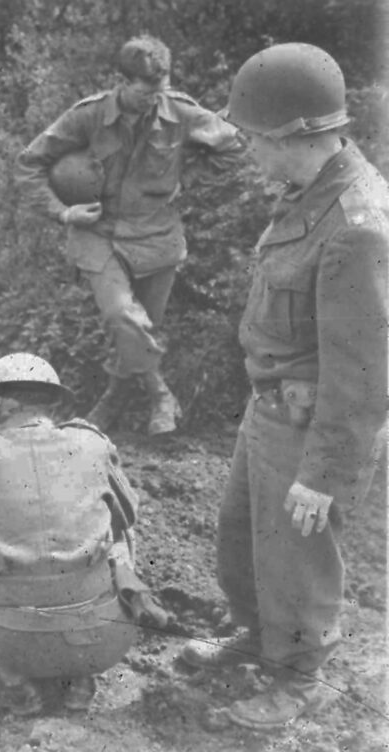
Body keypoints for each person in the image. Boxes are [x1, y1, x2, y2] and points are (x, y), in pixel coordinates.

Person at [181, 43, 388, 731]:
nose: (247, 150)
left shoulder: (356, 226)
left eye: (252, 137)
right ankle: (258, 640)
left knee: (298, 561)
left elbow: (364, 371)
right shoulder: (308, 195)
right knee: (241, 542)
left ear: (293, 135)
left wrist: (323, 473)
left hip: (308, 424)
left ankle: (299, 679)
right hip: (268, 406)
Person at [15, 35, 243, 436]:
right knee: (123, 316)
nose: (155, 98)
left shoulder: (182, 113)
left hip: (158, 235)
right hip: (99, 233)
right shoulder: (88, 116)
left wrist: (186, 180)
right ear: (121, 81)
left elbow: (232, 146)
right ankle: (160, 396)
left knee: (135, 333)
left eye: (161, 88)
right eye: (145, 90)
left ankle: (110, 404)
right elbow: (31, 163)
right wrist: (64, 212)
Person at [0, 353, 169, 715]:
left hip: (14, 643)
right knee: (120, 536)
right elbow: (128, 513)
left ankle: (12, 677)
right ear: (51, 403)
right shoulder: (93, 444)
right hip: (106, 640)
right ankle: (81, 677)